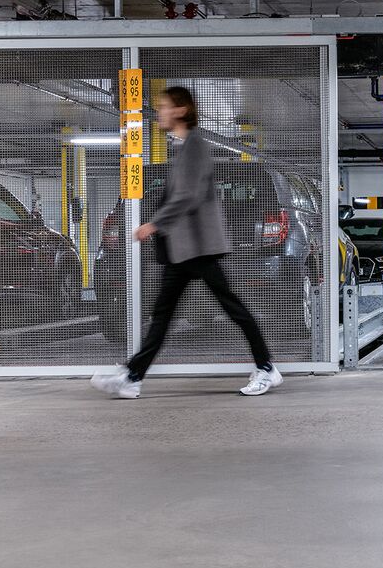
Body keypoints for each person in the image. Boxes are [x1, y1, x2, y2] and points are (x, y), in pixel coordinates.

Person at [92, 86, 282, 398]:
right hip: (184, 249)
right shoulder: (183, 147)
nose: (160, 113)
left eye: (165, 107)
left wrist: (154, 224)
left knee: (232, 308)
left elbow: (187, 196)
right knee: (163, 315)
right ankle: (133, 376)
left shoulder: (194, 146)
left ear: (181, 110)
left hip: (199, 247)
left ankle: (266, 367)